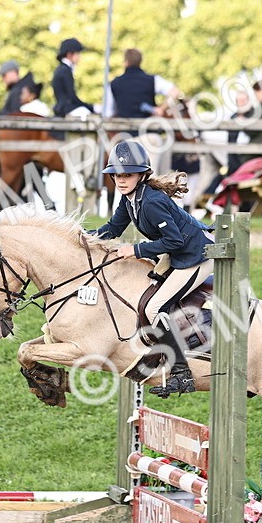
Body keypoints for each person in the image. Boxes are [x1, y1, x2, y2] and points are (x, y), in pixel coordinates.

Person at [91, 140, 213, 398]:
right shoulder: (130, 200)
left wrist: (135, 250)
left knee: (154, 307)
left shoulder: (151, 202)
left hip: (196, 255)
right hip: (179, 254)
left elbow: (175, 241)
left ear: (141, 175)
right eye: (116, 175)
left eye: (127, 175)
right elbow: (112, 229)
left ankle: (182, 373)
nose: (121, 180)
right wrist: (82, 237)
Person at [51, 38, 94, 118]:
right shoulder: (65, 70)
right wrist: (90, 107)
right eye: (77, 54)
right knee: (88, 115)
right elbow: (71, 96)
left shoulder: (61, 69)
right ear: (69, 54)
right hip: (66, 108)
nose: (79, 57)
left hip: (62, 107)